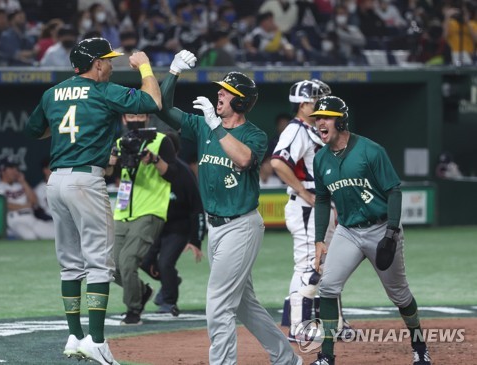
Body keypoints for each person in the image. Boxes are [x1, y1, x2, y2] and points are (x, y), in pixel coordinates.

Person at [157, 50, 303, 365]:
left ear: (240, 102)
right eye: (220, 90)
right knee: (244, 305)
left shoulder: (255, 135)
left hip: (242, 225)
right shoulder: (202, 125)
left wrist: (215, 126)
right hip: (216, 227)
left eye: (226, 91)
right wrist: (172, 73)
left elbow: (245, 159)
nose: (219, 94)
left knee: (219, 303)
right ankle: (286, 359)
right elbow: (163, 109)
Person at [24, 37, 162, 365]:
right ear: (96, 64)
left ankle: (74, 335)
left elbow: (34, 131)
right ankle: (97, 342)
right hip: (86, 180)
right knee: (99, 263)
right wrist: (144, 65)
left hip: (55, 181)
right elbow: (153, 101)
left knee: (70, 264)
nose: (111, 65)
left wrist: (64, 128)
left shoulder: (52, 92)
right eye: (108, 60)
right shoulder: (102, 90)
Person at [309, 96, 432, 365]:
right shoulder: (320, 159)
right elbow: (320, 199)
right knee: (328, 287)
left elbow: (394, 192)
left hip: (380, 228)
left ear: (340, 121)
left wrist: (391, 233)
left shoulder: (370, 150)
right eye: (317, 118)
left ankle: (419, 346)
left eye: (325, 117)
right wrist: (319, 239)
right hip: (348, 232)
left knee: (399, 294)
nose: (319, 123)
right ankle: (326, 356)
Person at [270, 80, 353, 342]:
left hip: (322, 204)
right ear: (304, 103)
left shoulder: (312, 129)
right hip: (307, 205)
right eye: (318, 102)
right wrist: (305, 194)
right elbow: (278, 162)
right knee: (309, 265)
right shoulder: (296, 130)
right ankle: (298, 326)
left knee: (328, 266)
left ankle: (333, 323)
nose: (323, 108)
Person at [110, 113, 177, 326]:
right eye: (130, 115)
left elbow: (173, 174)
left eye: (139, 115)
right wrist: (111, 160)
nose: (135, 119)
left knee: (128, 261)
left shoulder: (160, 141)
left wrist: (154, 159)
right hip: (123, 209)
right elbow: (109, 173)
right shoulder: (120, 143)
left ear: (147, 118)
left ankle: (133, 310)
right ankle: (142, 291)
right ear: (123, 119)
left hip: (150, 209)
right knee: (110, 265)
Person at [140, 132, 205, 316]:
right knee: (144, 261)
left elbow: (196, 208)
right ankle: (172, 282)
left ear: (173, 151)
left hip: (179, 229)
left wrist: (196, 240)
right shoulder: (150, 169)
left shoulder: (184, 174)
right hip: (157, 226)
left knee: (165, 263)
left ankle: (168, 302)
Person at [0, 156, 55, 240]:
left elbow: (34, 201)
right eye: (11, 168)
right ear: (2, 170)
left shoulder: (20, 185)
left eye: (16, 168)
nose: (15, 171)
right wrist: (25, 206)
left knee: (55, 234)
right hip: (15, 221)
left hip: (31, 218)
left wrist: (23, 182)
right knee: (30, 236)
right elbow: (4, 205)